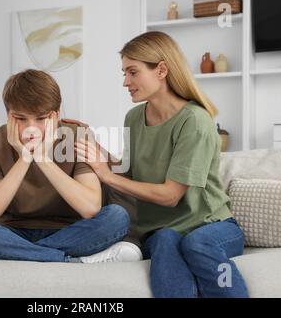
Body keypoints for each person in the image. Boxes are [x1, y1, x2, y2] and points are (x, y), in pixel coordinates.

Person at [67, 31, 249, 297]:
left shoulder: (194, 121)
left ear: (161, 70)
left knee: (196, 243)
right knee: (164, 239)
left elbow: (170, 196)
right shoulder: (133, 117)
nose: (125, 82)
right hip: (161, 229)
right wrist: (93, 144)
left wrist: (107, 176)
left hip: (211, 226)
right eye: (124, 73)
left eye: (132, 72)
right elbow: (130, 173)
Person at [0, 69, 142, 263]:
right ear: (9, 115)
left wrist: (43, 159)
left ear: (55, 115)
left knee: (116, 217)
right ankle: (64, 260)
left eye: (41, 118)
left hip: (70, 232)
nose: (31, 128)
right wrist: (25, 157)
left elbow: (90, 208)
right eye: (21, 118)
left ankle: (0, 253)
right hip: (12, 232)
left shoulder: (77, 135)